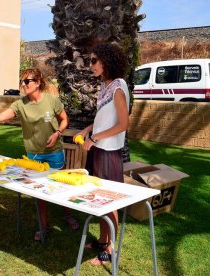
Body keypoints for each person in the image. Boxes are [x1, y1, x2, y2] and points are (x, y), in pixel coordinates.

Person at [0, 68, 79, 241]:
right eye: (22, 82)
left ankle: (67, 215)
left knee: (61, 187)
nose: (23, 85)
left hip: (54, 153)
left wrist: (57, 133)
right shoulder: (20, 104)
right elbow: (1, 117)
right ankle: (44, 227)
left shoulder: (52, 101)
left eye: (27, 81)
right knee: (39, 192)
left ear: (38, 83)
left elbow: (64, 120)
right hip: (34, 156)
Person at [73, 43, 129, 265]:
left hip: (108, 153)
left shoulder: (118, 86)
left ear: (107, 60)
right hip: (99, 151)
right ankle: (103, 240)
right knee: (99, 198)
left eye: (94, 60)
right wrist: (88, 129)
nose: (90, 65)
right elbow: (105, 118)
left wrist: (94, 138)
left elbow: (123, 124)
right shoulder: (105, 86)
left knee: (110, 201)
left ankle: (110, 249)